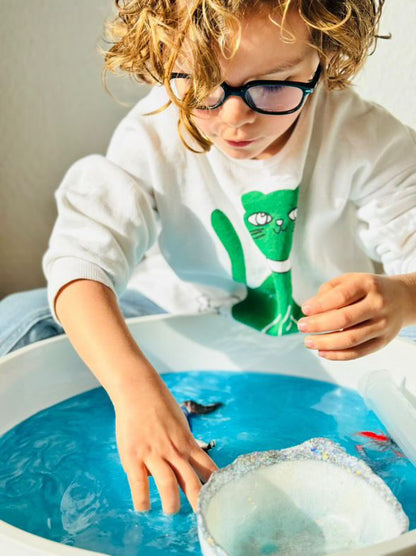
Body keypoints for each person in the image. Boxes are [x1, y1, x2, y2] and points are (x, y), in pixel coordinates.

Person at [1, 0, 416, 515]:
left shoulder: (366, 138)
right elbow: (80, 259)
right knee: (22, 318)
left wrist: (404, 298)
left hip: (323, 336)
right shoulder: (153, 132)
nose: (234, 118)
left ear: (325, 56)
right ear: (163, 61)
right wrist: (134, 389)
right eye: (199, 87)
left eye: (273, 86)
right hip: (175, 313)